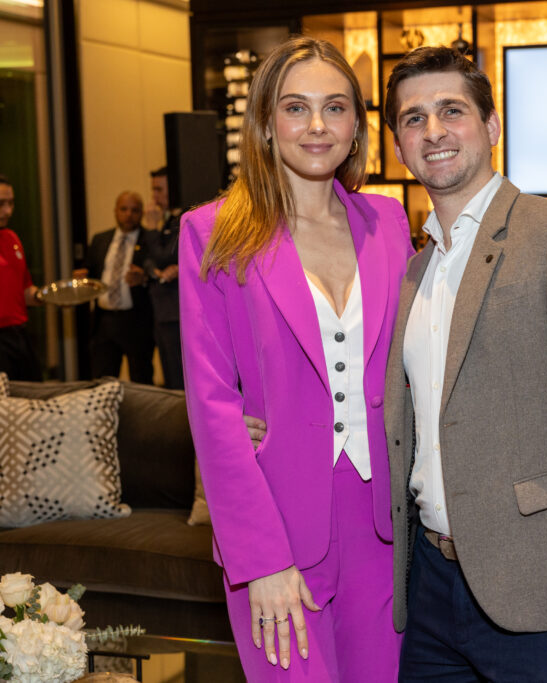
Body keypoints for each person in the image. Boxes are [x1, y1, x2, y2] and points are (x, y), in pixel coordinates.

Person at [381, 47, 547, 682]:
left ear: (492, 126)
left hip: (541, 593)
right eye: (414, 118)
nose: (433, 130)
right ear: (398, 145)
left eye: (452, 110)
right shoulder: (415, 270)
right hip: (430, 589)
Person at [179, 36, 412, 681]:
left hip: (383, 529)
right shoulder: (213, 232)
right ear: (265, 121)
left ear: (356, 126)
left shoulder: (389, 223)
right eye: (295, 107)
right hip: (275, 523)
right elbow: (211, 401)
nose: (317, 126)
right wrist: (258, 560)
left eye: (335, 107)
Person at [73, 191, 154, 383]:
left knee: (141, 380)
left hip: (137, 321)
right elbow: (91, 271)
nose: (128, 215)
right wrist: (83, 277)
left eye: (134, 210)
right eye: (124, 209)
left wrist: (144, 278)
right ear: (115, 211)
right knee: (103, 380)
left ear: (141, 213)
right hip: (104, 321)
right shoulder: (100, 239)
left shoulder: (150, 240)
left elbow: (157, 276)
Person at [141, 167, 184, 389]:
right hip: (161, 309)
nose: (154, 197)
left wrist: (150, 229)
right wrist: (153, 271)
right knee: (169, 377)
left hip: (177, 311)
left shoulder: (183, 218)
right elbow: (148, 258)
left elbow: (164, 256)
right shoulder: (165, 221)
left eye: (159, 190)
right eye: (153, 190)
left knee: (178, 381)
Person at [0, 174, 43, 381]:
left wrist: (54, 295)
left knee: (33, 393)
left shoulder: (12, 238)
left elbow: (25, 291)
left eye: (11, 203)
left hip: (19, 335)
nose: (8, 211)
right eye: (1, 204)